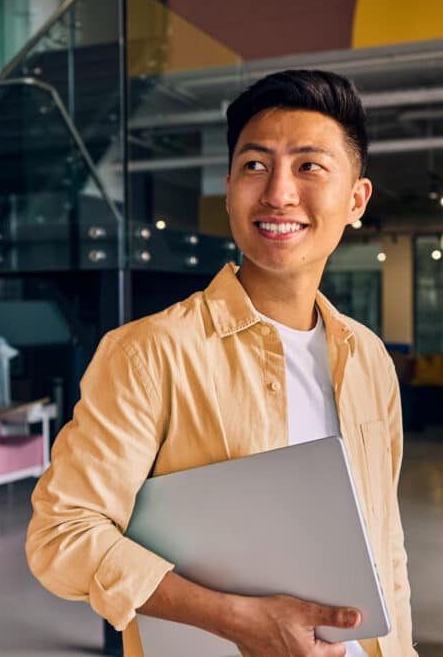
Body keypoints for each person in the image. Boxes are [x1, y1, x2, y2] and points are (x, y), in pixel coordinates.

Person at [26, 69, 416, 657]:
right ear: (230, 187)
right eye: (255, 166)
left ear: (356, 199)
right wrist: (236, 619)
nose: (279, 192)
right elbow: (62, 535)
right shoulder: (148, 354)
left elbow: (385, 540)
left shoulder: (369, 359)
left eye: (309, 166)